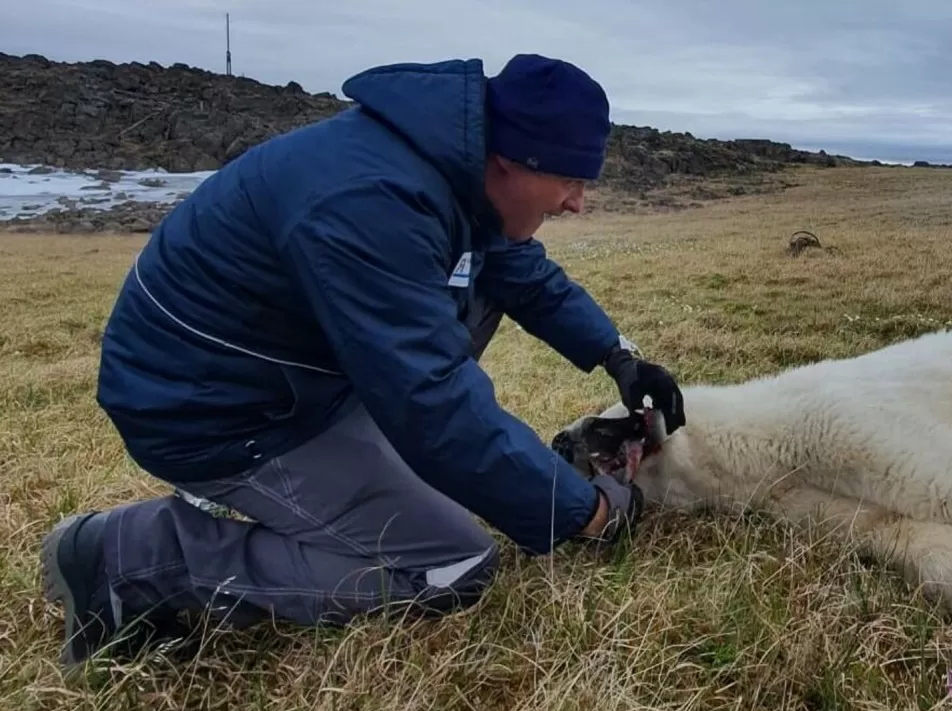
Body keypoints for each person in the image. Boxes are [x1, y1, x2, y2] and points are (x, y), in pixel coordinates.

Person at [38, 53, 687, 670]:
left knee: (479, 305)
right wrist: (586, 514)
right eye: (571, 179)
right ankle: (125, 560)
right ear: (511, 159)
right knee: (449, 563)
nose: (578, 202)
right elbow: (431, 401)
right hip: (211, 410)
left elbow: (520, 275)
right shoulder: (371, 203)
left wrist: (619, 356)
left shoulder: (453, 170)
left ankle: (381, 466)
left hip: (289, 380)